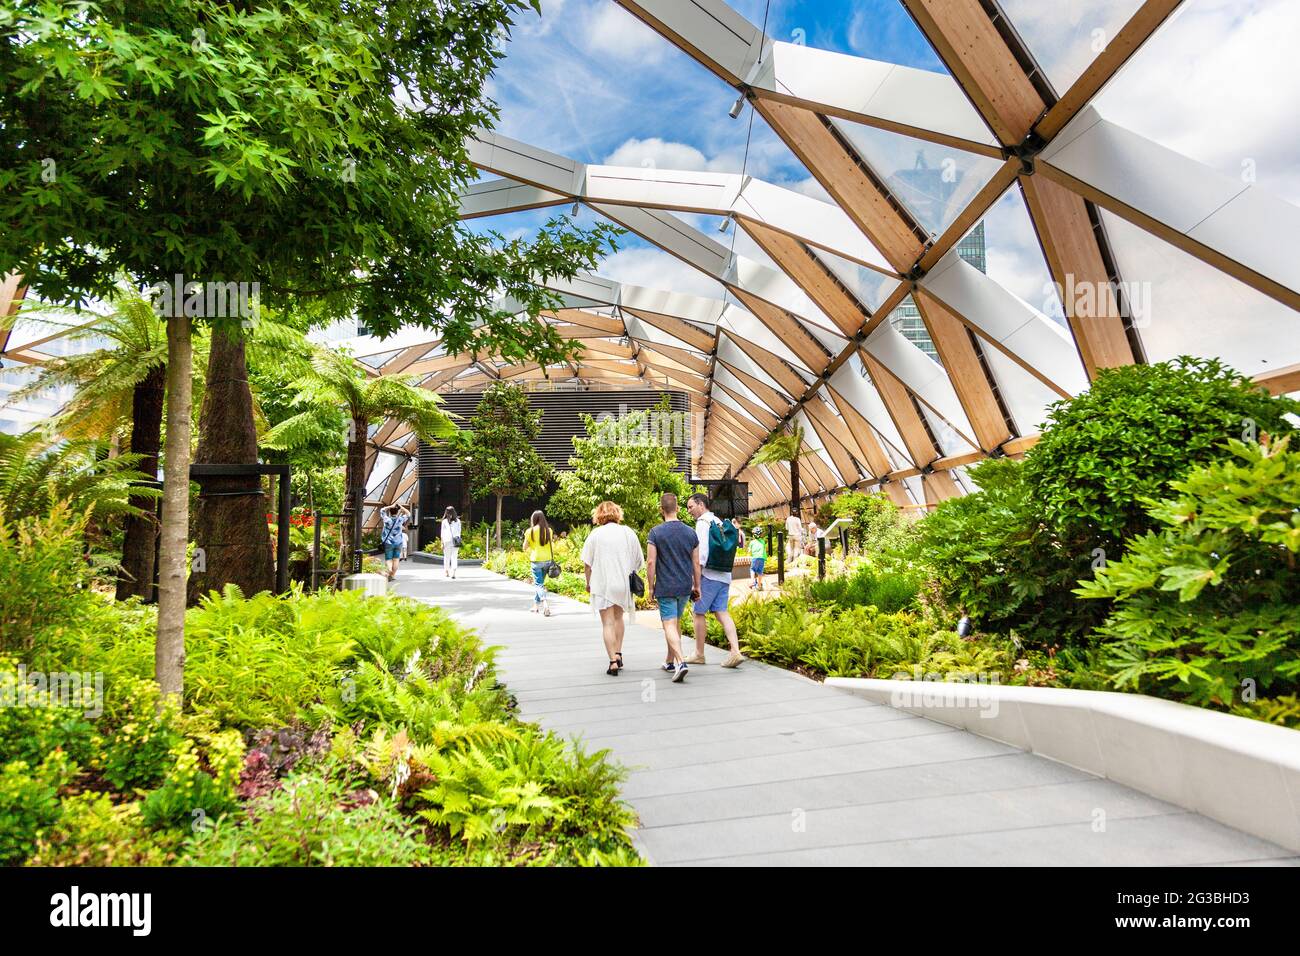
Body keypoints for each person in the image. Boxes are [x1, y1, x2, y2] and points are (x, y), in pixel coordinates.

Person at [580, 500, 644, 677]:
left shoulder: (595, 534)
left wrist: (588, 583)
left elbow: (587, 564)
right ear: (617, 513)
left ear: (599, 515)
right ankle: (619, 653)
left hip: (602, 584)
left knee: (607, 623)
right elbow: (639, 560)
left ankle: (612, 662)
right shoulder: (628, 532)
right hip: (622, 584)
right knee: (618, 619)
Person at [645, 492, 700, 684]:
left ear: (662, 510)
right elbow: (696, 563)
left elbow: (651, 562)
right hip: (684, 586)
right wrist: (697, 586)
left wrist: (650, 588)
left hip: (666, 586)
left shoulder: (656, 533)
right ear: (677, 508)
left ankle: (680, 661)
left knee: (668, 624)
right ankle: (669, 661)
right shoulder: (690, 532)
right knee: (675, 624)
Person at [686, 493, 743, 668]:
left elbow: (701, 554)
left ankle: (699, 654)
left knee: (698, 613)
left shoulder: (703, 523)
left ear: (701, 504)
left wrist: (696, 582)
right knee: (721, 612)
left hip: (709, 576)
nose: (689, 511)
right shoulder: (718, 521)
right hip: (724, 575)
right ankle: (735, 651)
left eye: (690, 507)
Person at [523, 509, 555, 617]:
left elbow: (524, 547)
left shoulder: (529, 531)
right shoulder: (549, 530)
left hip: (536, 560)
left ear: (534, 519)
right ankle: (535, 606)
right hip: (548, 560)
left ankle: (545, 604)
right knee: (539, 584)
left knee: (538, 584)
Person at [380, 504, 409, 581]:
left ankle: (389, 570)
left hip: (388, 542)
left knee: (388, 559)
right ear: (397, 511)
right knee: (396, 559)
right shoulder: (400, 519)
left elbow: (382, 510)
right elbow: (408, 514)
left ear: (390, 512)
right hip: (398, 542)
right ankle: (392, 575)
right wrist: (401, 507)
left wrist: (390, 506)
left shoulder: (387, 519)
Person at [440, 506, 462, 579]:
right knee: (454, 557)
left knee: (447, 557)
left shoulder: (444, 521)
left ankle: (446, 571)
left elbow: (442, 533)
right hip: (456, 541)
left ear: (446, 512)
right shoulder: (458, 521)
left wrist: (442, 542)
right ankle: (454, 572)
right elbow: (459, 532)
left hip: (447, 541)